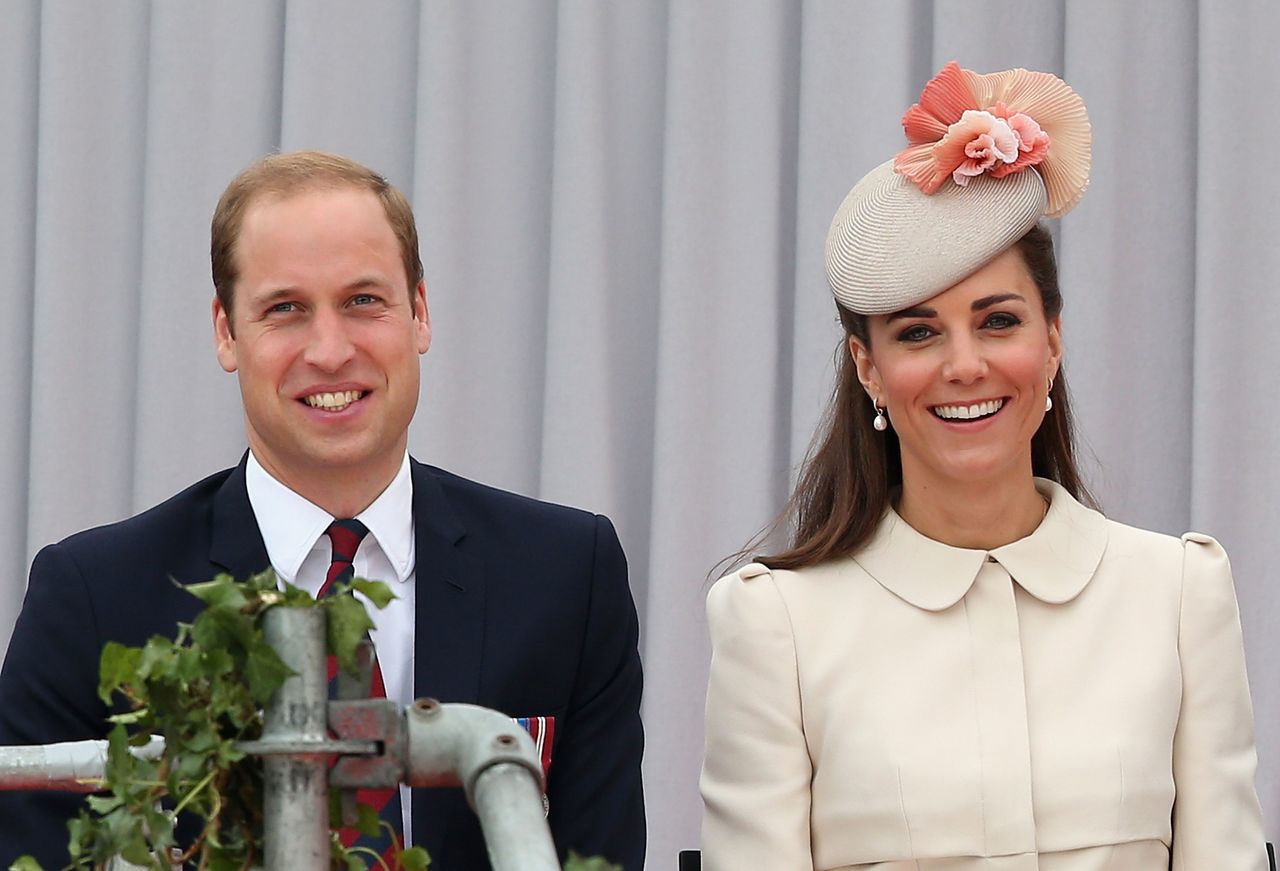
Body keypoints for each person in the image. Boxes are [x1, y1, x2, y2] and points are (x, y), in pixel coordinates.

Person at [0, 150, 646, 870]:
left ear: (421, 313)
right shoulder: (93, 598)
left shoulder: (566, 575)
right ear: (225, 331)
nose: (331, 350)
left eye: (364, 300)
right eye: (286, 309)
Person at [700, 62, 1268, 870]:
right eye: (919, 332)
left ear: (1054, 340)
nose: (964, 365)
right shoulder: (774, 623)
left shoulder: (1178, 592)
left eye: (997, 320)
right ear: (868, 368)